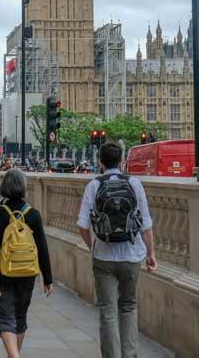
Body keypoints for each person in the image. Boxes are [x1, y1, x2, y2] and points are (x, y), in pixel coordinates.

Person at [77, 141, 156, 358]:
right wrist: (150, 254)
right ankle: (130, 354)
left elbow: (83, 226)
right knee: (129, 306)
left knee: (108, 310)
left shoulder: (94, 186)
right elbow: (145, 224)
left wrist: (92, 246)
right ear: (121, 161)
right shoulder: (135, 184)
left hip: (103, 255)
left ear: (100, 162)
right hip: (132, 256)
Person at [0, 169, 53, 358]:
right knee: (20, 317)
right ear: (23, 187)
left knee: (6, 317)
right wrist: (47, 278)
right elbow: (42, 248)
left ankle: (14, 356)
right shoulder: (33, 214)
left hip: (4, 271)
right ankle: (14, 354)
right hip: (28, 272)